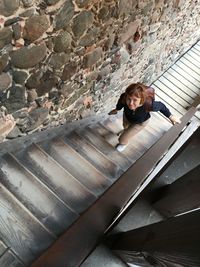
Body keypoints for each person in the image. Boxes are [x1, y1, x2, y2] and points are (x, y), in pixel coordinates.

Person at [108, 83, 181, 152]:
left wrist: (171, 116)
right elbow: (120, 103)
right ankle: (126, 132)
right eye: (129, 99)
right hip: (127, 117)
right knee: (125, 127)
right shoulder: (124, 98)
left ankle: (123, 143)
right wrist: (116, 110)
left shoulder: (149, 104)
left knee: (122, 139)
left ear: (141, 99)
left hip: (140, 123)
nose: (130, 103)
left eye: (135, 100)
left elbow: (161, 106)